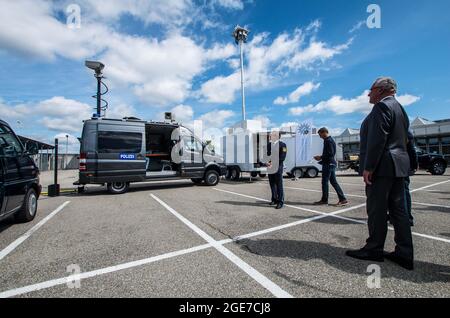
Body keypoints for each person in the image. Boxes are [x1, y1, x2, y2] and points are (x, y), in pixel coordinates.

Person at [346, 77, 414, 270]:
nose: (368, 94)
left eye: (371, 90)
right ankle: (404, 252)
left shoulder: (382, 108)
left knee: (377, 209)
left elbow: (378, 140)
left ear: (382, 90)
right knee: (399, 211)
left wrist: (369, 167)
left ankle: (374, 248)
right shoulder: (400, 109)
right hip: (398, 167)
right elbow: (407, 139)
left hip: (383, 167)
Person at [313, 127, 348, 206]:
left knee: (324, 182)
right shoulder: (329, 140)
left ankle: (324, 200)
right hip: (330, 163)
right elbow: (330, 153)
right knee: (333, 182)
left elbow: (331, 153)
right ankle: (343, 199)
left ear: (324, 132)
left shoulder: (328, 141)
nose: (320, 136)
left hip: (328, 164)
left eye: (320, 134)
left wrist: (320, 157)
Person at [267, 131, 287, 209]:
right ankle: (274, 199)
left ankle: (280, 202)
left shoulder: (283, 145)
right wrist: (266, 162)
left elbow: (282, 157)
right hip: (270, 167)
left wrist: (272, 162)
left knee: (279, 185)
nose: (271, 137)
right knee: (272, 184)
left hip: (278, 167)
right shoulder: (269, 145)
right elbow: (266, 155)